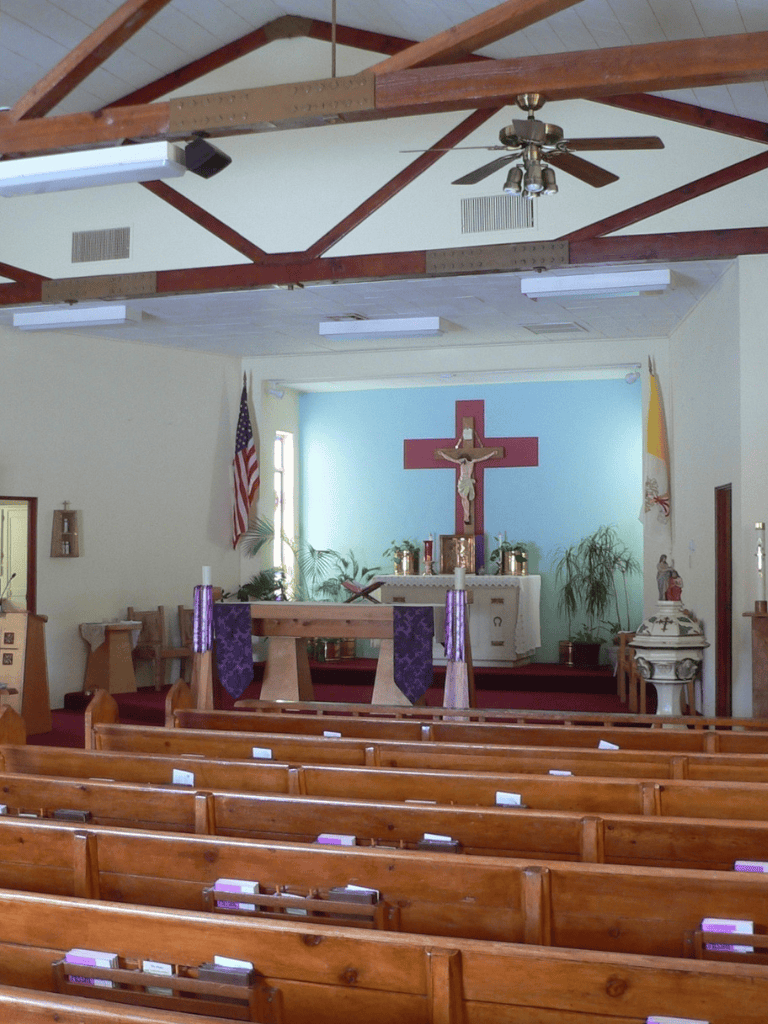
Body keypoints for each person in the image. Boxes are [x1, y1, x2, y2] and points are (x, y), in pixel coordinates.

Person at [437, 447, 497, 523]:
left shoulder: (472, 462)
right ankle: (466, 516)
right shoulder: (461, 462)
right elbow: (450, 459)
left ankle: (467, 516)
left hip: (467, 482)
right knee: (464, 498)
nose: (461, 460)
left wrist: (492, 453)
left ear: (465, 458)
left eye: (462, 459)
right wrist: (442, 454)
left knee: (465, 498)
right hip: (461, 483)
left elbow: (483, 458)